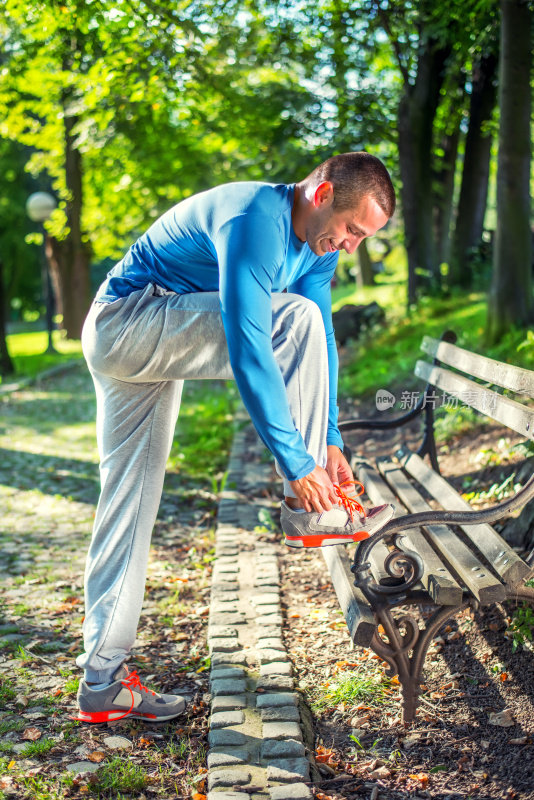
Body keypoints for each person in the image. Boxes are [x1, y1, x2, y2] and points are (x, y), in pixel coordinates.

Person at [74, 151, 396, 724]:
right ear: (321, 195)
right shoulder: (254, 221)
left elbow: (321, 336)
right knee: (287, 319)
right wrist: (298, 465)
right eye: (351, 230)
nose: (352, 246)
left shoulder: (318, 248)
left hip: (147, 340)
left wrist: (329, 442)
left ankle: (102, 679)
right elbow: (254, 349)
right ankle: (308, 505)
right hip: (129, 321)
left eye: (363, 238)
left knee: (128, 505)